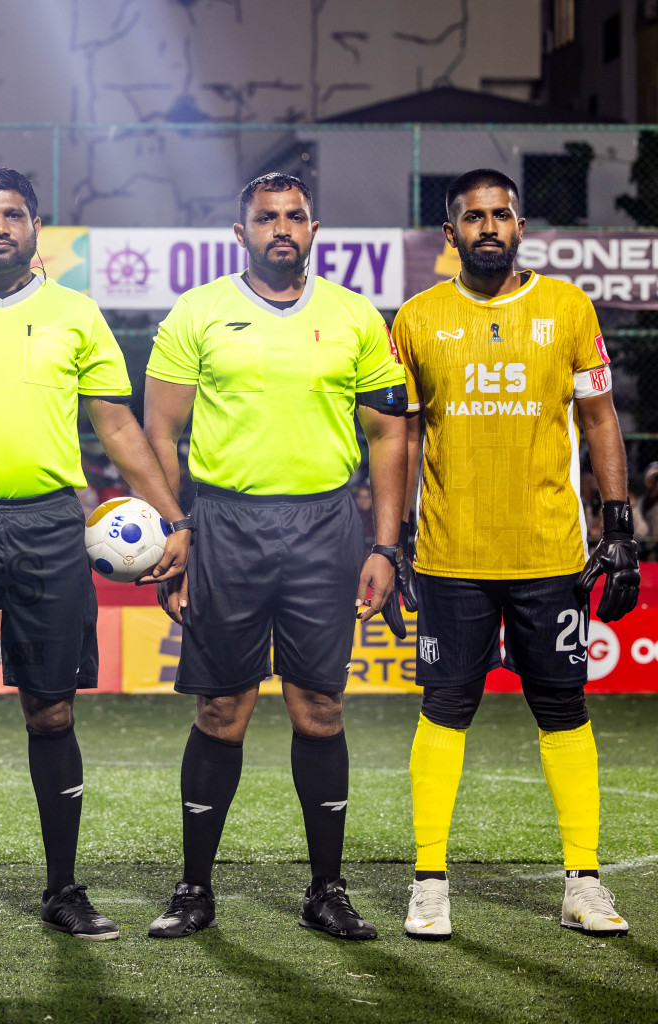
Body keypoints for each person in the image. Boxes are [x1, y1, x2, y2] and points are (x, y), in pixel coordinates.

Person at [0, 167, 190, 942]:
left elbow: (118, 428)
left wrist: (171, 517)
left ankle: (63, 889)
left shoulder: (75, 313)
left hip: (52, 527)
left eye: (14, 214)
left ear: (34, 228)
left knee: (51, 708)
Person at [143, 172, 408, 941]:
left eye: (294, 216)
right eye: (266, 218)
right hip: (225, 524)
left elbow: (390, 435)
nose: (281, 228)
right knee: (222, 709)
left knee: (319, 708)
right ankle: (195, 888)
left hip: (328, 525)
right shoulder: (199, 313)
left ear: (314, 229)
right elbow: (159, 429)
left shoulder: (356, 316)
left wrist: (385, 545)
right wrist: (178, 526)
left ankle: (326, 890)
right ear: (241, 233)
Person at [392, 168, 639, 941]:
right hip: (449, 554)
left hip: (550, 552)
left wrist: (620, 527)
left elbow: (599, 420)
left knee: (564, 709)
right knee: (444, 709)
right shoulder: (414, 319)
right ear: (451, 234)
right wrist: (391, 537)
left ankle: (584, 881)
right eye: (474, 217)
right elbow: (396, 435)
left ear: (521, 226)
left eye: (502, 215)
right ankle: (430, 882)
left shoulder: (567, 308)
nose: (489, 227)